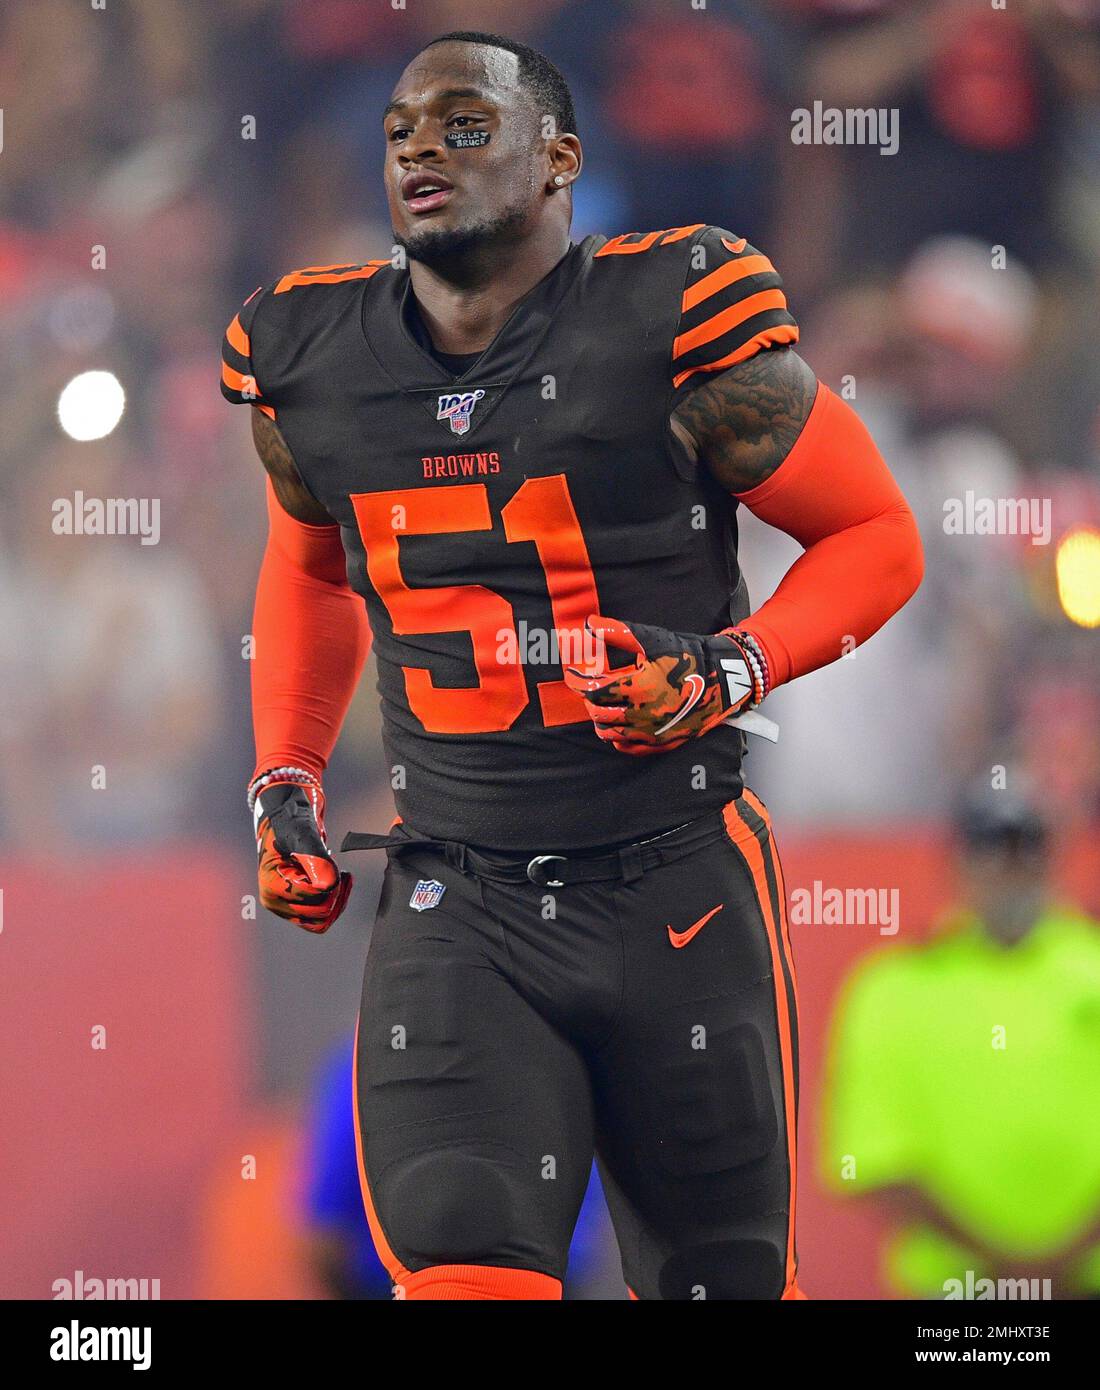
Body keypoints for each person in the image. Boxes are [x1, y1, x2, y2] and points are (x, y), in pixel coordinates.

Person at [221, 30, 923, 1300]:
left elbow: (873, 534)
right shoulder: (309, 352)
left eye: (460, 123)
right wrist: (285, 777)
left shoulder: (673, 311)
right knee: (460, 1260)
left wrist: (726, 669)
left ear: (559, 160)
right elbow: (315, 565)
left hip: (676, 882)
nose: (418, 148)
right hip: (458, 892)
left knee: (723, 1280)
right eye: (397, 132)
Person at [822, 782, 1100, 1298]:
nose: (1009, 875)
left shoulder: (1092, 965)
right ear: (958, 868)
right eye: (992, 856)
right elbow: (874, 1157)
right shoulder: (893, 987)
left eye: (1025, 854)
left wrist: (1055, 1262)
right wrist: (1013, 1268)